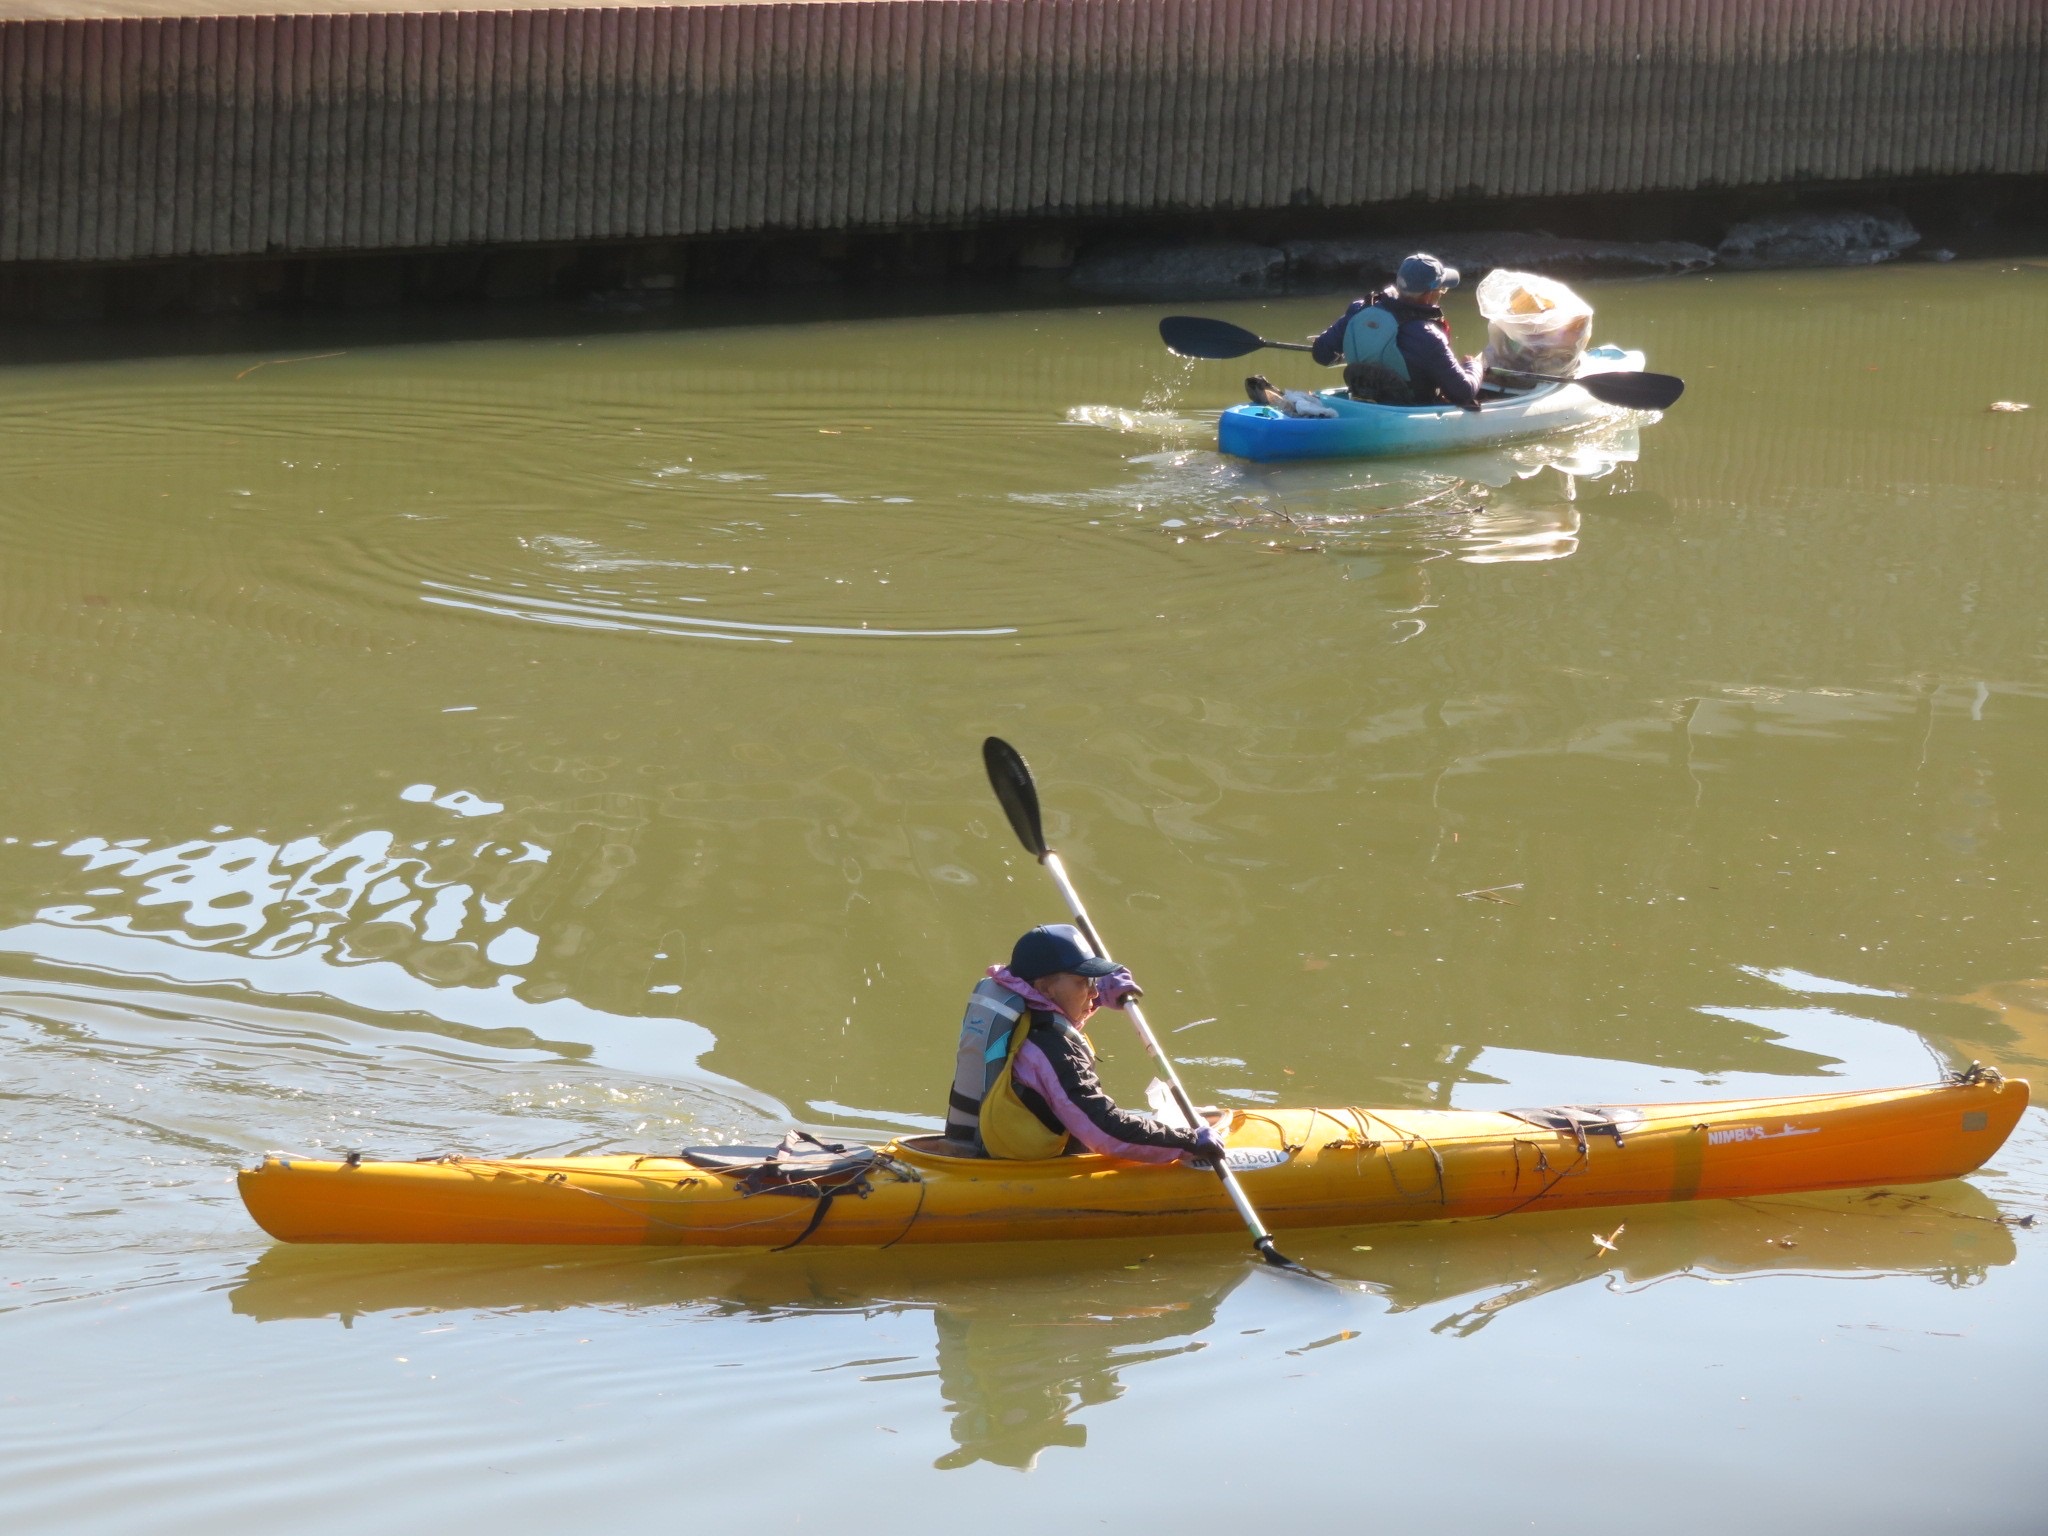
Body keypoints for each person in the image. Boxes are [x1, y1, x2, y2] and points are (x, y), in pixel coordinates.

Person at [945, 923, 1227, 1167]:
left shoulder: (1014, 1006)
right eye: (1083, 981)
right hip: (1029, 1166)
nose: (1093, 990)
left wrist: (1102, 995)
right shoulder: (1056, 1052)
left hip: (980, 1144)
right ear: (1043, 987)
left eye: (1094, 980)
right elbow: (1103, 1128)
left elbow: (1049, 1017)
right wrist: (1187, 1142)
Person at [1308, 252, 1486, 410]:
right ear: (1429, 294)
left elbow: (1322, 354)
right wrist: (1474, 366)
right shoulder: (1428, 335)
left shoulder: (1360, 310)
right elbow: (1463, 392)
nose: (1441, 294)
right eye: (1442, 289)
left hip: (1362, 402)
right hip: (1407, 412)